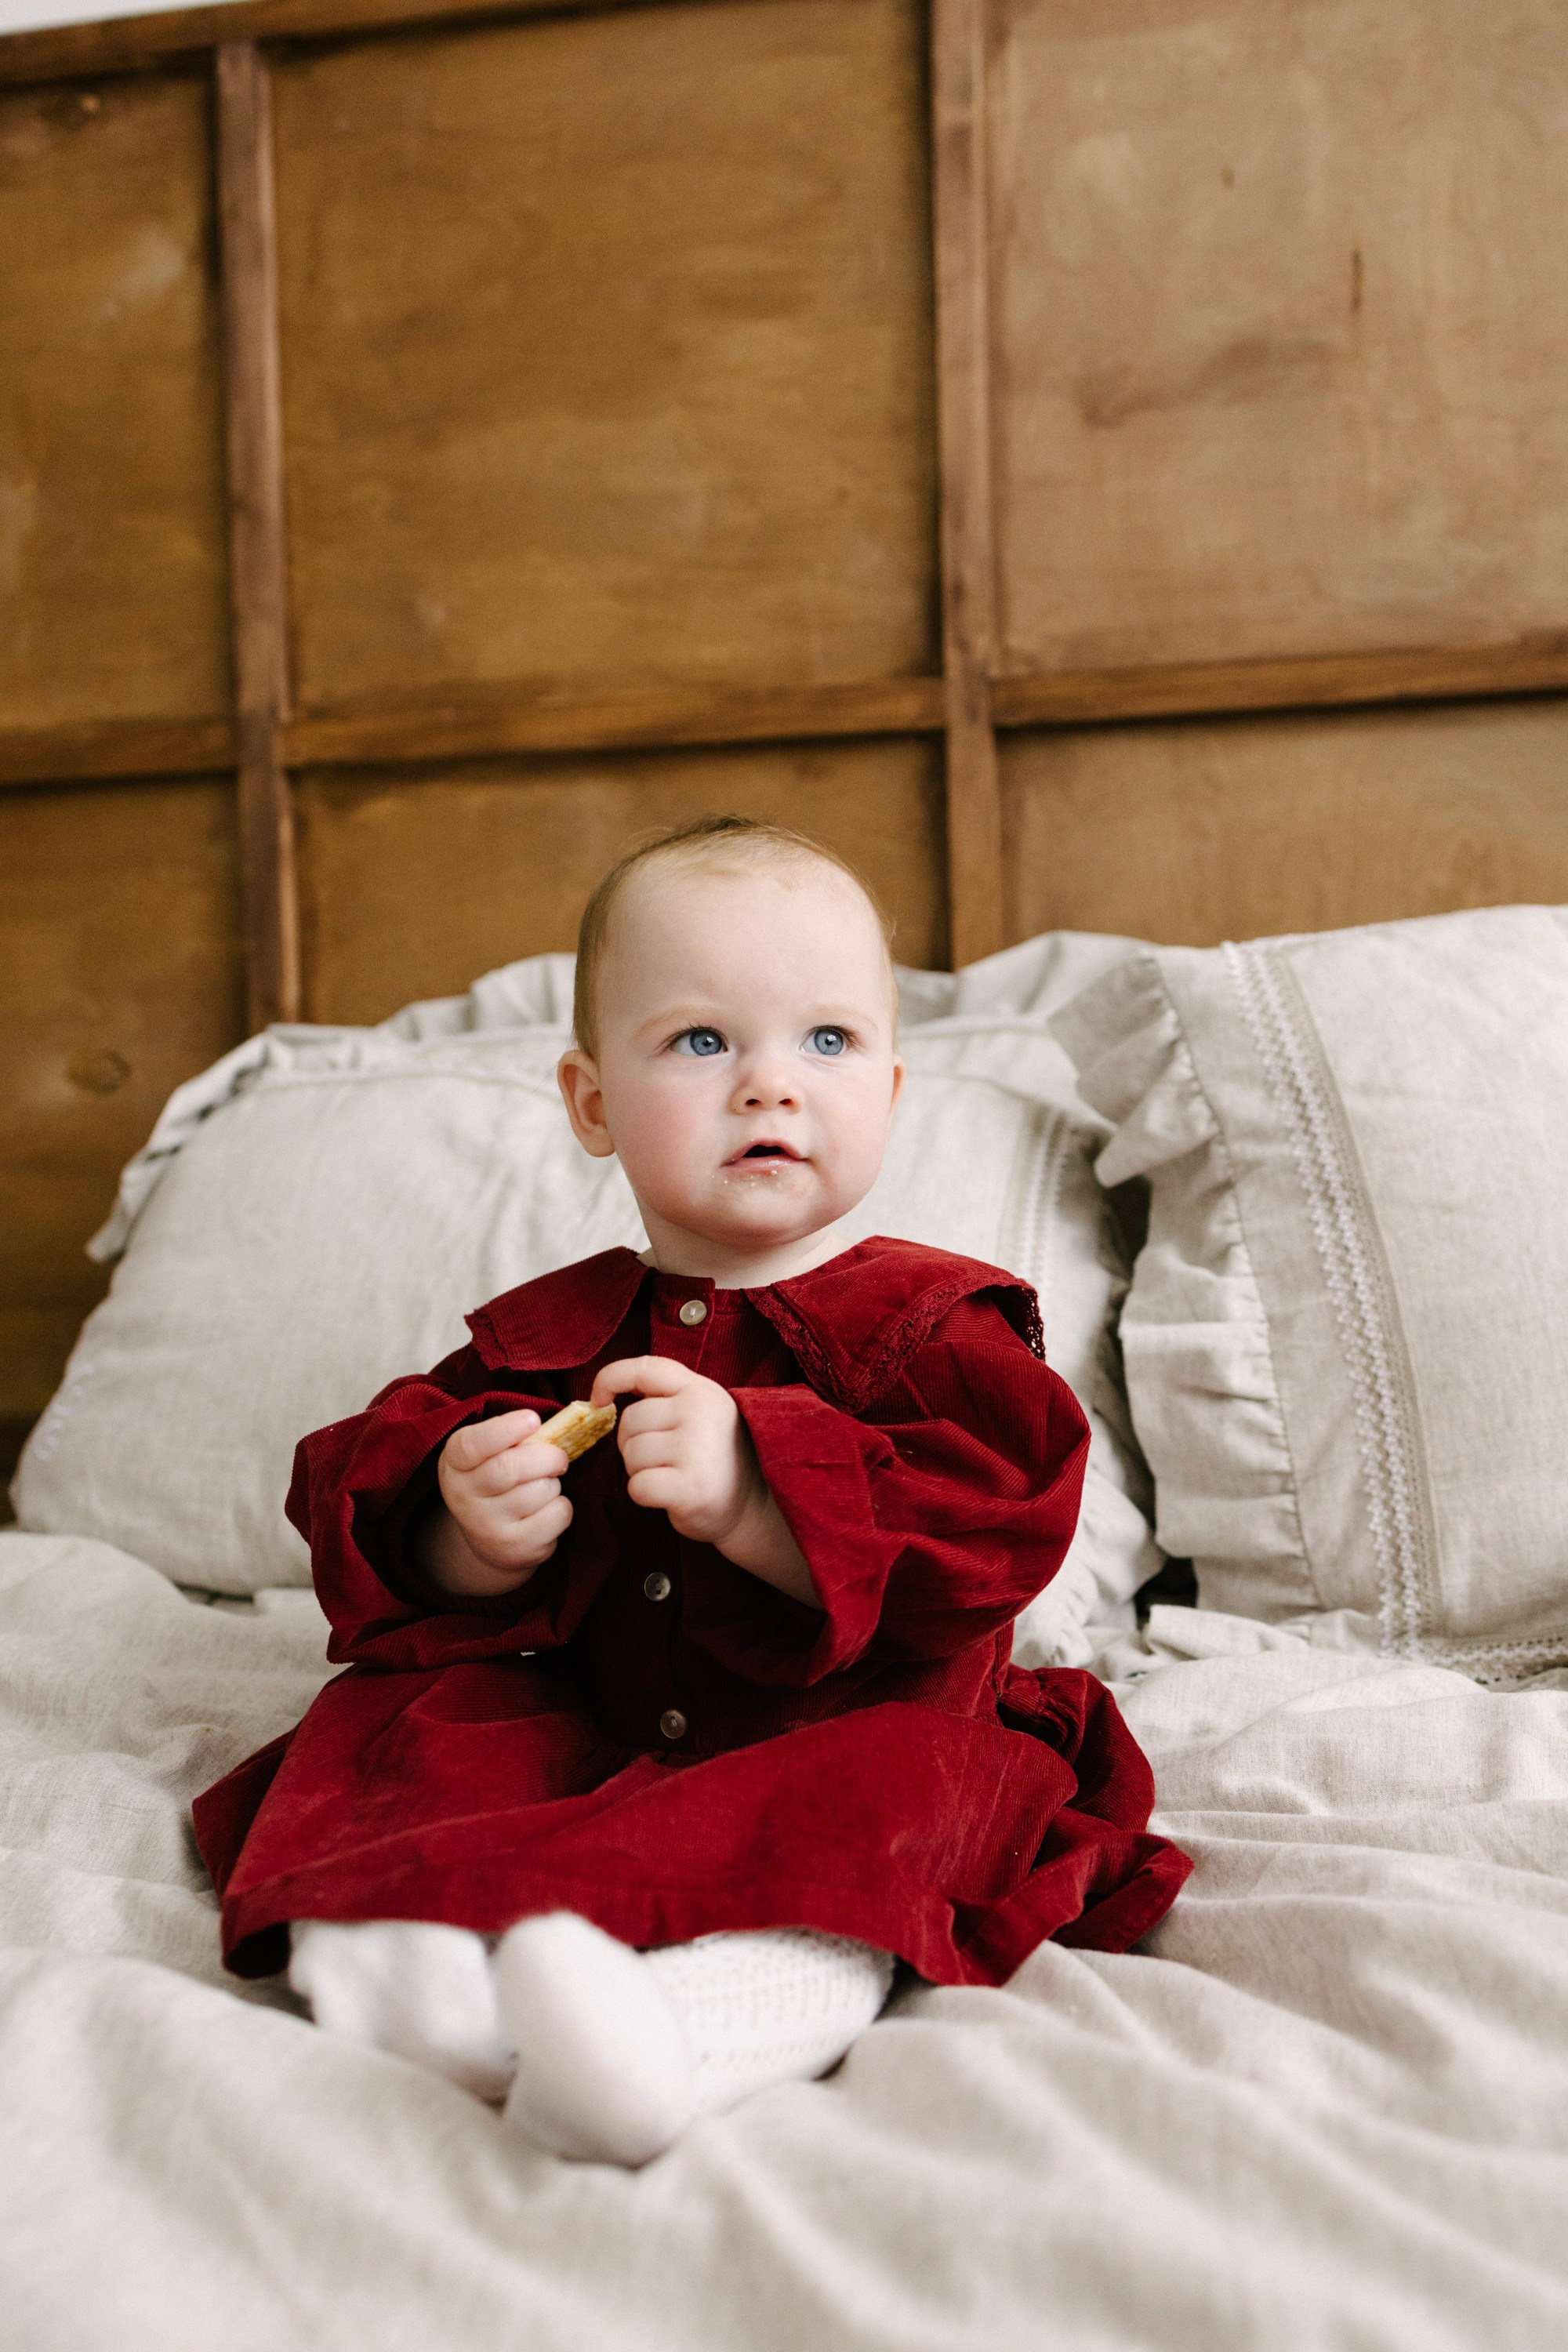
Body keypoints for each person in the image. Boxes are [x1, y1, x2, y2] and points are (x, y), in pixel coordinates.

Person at [194, 815, 1189, 2165]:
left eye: (826, 1042)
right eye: (703, 1041)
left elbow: (998, 1524)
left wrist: (762, 1501)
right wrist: (464, 1526)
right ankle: (420, 1997)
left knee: (885, 1819)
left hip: (843, 1718)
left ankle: (673, 2044)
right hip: (594, 1706)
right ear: (593, 1102)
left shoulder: (933, 1327)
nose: (770, 1086)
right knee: (393, 1740)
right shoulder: (545, 1341)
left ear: (891, 1094)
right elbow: (372, 1508)